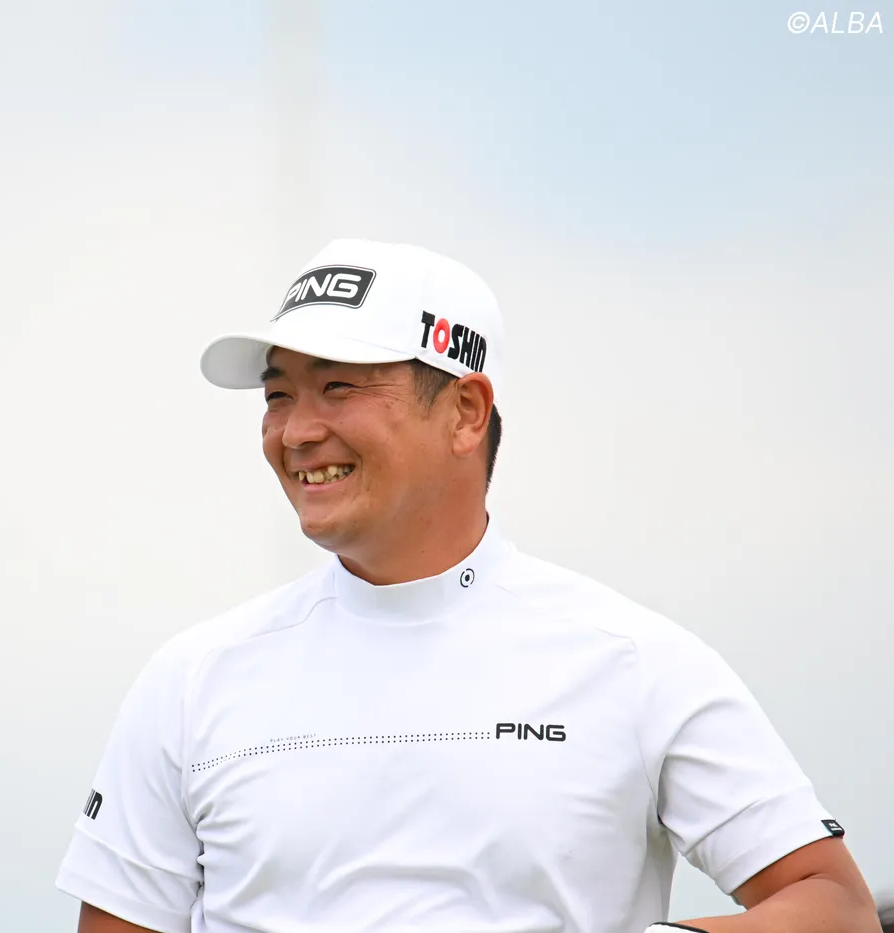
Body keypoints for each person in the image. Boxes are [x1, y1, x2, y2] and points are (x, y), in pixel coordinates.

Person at [53, 238, 880, 933]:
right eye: (278, 395)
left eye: (338, 386)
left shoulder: (633, 660)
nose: (296, 431)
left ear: (465, 411)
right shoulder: (192, 678)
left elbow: (833, 905)